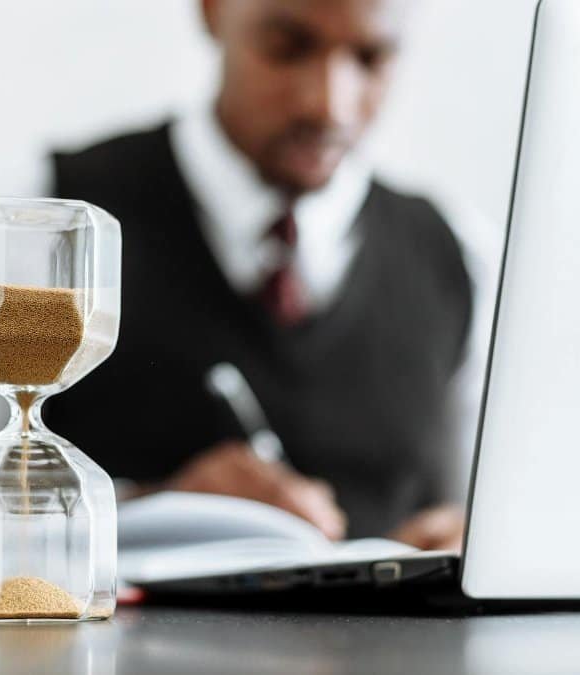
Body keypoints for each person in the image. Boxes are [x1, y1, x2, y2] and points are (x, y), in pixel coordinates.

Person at [47, 0, 492, 551]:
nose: (329, 106)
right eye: (286, 47)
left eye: (371, 58)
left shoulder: (459, 249)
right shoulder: (49, 221)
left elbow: (487, 510)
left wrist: (470, 541)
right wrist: (150, 512)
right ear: (212, 11)